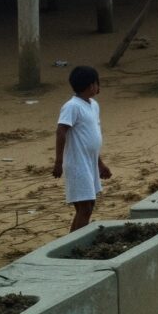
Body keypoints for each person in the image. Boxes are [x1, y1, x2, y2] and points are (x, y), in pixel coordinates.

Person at [53, 65, 113, 230]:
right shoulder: (72, 106)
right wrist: (58, 162)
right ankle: (73, 244)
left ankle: (76, 241)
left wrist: (100, 164)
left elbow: (92, 136)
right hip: (77, 163)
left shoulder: (93, 105)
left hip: (90, 161)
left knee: (89, 204)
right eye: (96, 83)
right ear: (90, 85)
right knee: (84, 207)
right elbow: (61, 131)